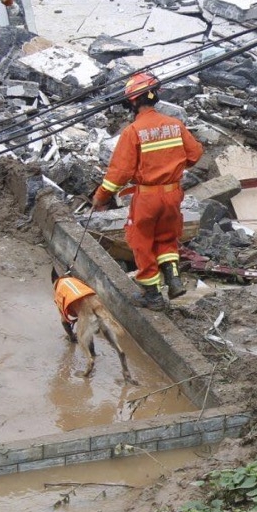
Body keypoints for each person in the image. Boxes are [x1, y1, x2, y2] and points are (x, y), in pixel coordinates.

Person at [92, 72, 203, 308]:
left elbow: (119, 174)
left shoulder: (133, 132)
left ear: (133, 102)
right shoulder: (175, 125)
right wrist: (173, 165)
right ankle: (173, 279)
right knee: (166, 237)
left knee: (140, 240)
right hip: (173, 194)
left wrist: (101, 196)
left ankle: (152, 295)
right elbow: (194, 154)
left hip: (148, 197)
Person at [52, 269, 94, 342]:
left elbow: (64, 321)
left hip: (77, 306)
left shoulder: (59, 290)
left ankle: (72, 338)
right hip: (91, 302)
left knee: (64, 321)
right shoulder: (76, 283)